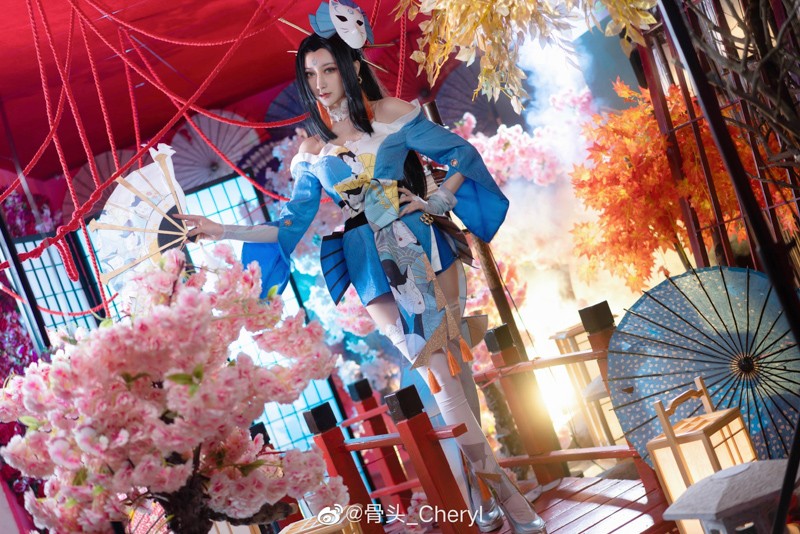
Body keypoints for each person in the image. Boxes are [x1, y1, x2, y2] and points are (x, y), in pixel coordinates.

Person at [176, 14, 546, 534]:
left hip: (423, 246)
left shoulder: (390, 113)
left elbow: (462, 153)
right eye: (310, 74)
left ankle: (484, 502)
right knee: (441, 374)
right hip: (370, 264)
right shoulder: (311, 152)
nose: (320, 83)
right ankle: (508, 504)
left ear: (351, 67)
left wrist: (439, 198)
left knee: (453, 376)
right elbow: (289, 227)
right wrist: (219, 229)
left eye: (328, 69)